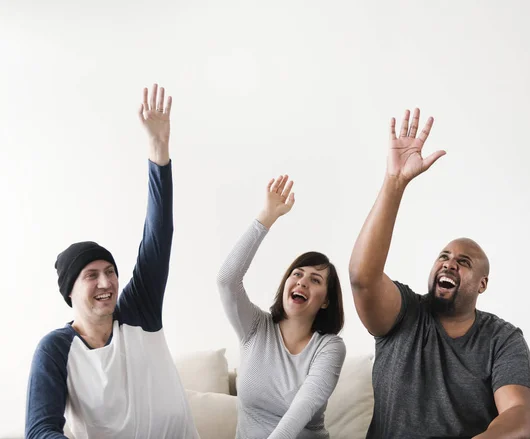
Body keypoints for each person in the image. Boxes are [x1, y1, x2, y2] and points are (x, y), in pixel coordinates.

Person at [349, 109, 530, 439]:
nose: (449, 263)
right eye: (444, 256)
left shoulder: (502, 339)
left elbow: (520, 417)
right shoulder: (404, 313)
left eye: (464, 262)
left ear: (482, 284)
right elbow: (362, 278)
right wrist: (395, 183)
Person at [25, 84, 199, 439]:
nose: (106, 283)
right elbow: (40, 430)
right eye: (91, 275)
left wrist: (158, 152)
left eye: (110, 272)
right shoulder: (56, 349)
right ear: (70, 291)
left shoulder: (140, 310)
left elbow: (158, 234)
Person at [217, 175, 346, 439]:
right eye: (297, 274)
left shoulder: (329, 347)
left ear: (326, 301)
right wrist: (266, 217)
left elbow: (303, 407)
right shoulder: (254, 327)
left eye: (315, 280)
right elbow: (227, 280)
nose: (302, 282)